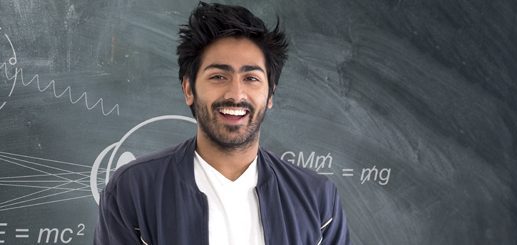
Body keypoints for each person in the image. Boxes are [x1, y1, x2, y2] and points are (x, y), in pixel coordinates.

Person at [94, 2, 350, 244]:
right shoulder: (134, 190)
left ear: (270, 94)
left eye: (251, 78)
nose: (236, 94)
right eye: (218, 76)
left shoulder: (317, 199)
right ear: (188, 89)